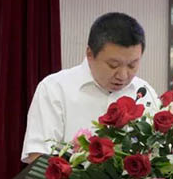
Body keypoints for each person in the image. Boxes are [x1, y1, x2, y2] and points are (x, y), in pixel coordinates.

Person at [21, 12, 159, 163]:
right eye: (113, 65)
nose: (123, 75)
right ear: (90, 54)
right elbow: (38, 155)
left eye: (132, 65)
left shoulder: (144, 92)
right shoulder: (55, 88)